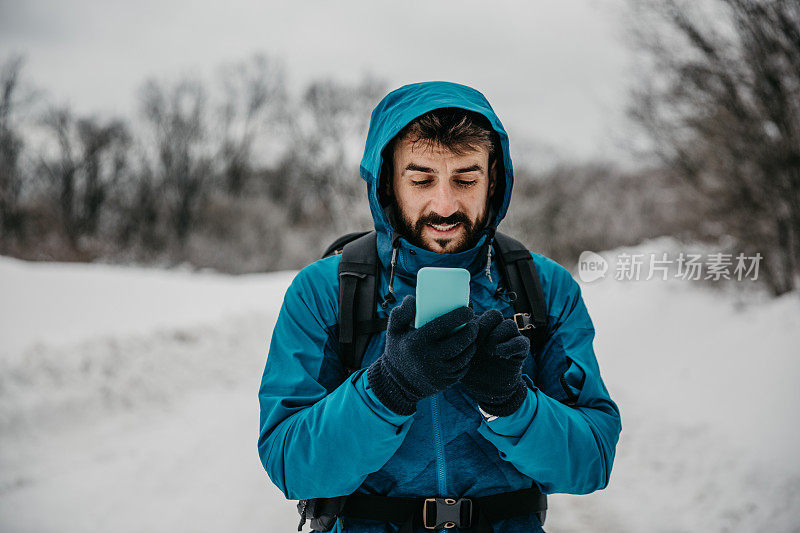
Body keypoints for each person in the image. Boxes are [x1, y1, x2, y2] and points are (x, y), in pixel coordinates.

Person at [258, 81, 622, 533]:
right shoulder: (324, 291)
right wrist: (388, 388)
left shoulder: (544, 287)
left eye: (466, 179)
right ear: (388, 182)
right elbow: (289, 465)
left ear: (494, 181)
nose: (445, 205)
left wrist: (511, 404)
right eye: (422, 179)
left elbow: (592, 462)